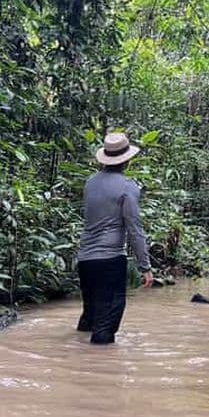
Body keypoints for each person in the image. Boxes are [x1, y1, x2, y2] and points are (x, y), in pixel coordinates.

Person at [76, 132, 154, 344]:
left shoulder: (90, 183)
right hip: (109, 262)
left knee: (89, 318)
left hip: (85, 260)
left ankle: (75, 358)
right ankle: (99, 372)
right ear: (127, 159)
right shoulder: (128, 187)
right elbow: (134, 229)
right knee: (105, 326)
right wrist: (145, 266)